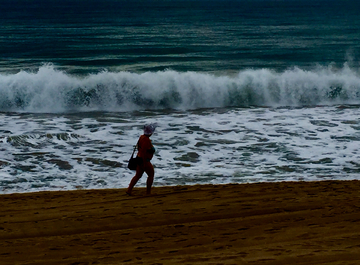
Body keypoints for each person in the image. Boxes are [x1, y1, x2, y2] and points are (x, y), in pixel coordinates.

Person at [126, 123, 156, 196]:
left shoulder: (141, 137)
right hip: (144, 160)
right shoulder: (147, 140)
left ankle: (129, 190)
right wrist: (144, 163)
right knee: (151, 175)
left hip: (139, 159)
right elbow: (145, 151)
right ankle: (148, 192)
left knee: (137, 176)